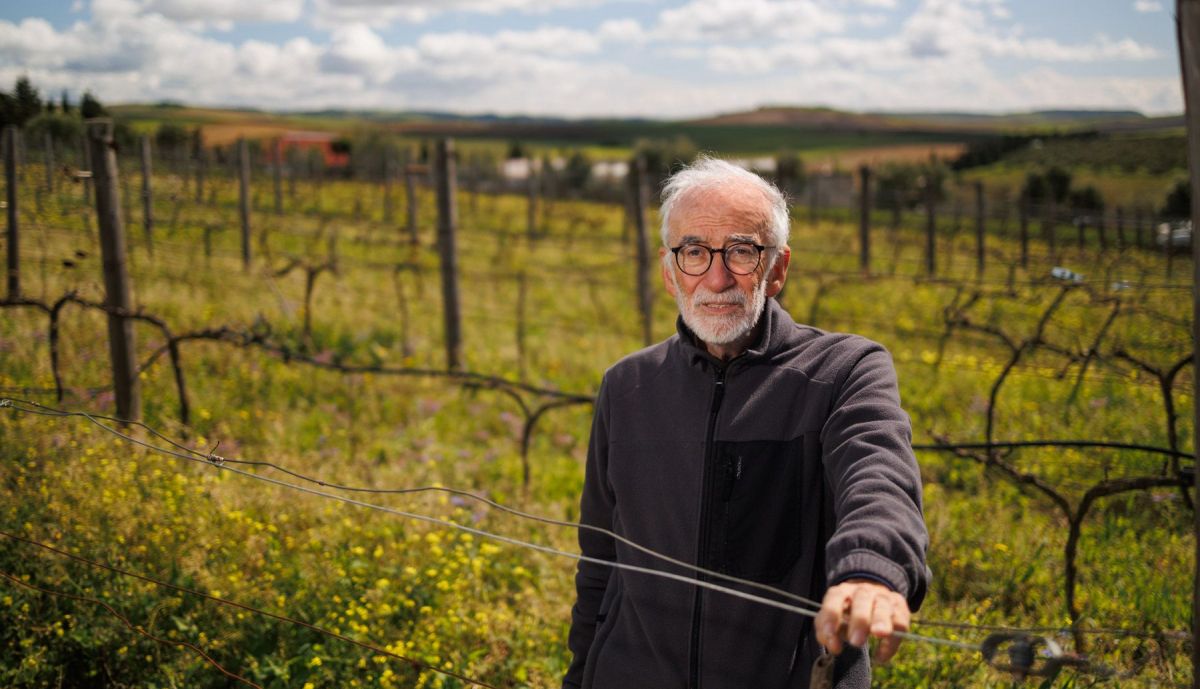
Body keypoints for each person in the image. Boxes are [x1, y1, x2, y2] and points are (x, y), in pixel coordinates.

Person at [563, 157, 930, 689]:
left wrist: (871, 570)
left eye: (740, 251)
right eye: (694, 252)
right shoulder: (627, 387)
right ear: (669, 272)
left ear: (776, 269)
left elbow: (879, 477)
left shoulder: (844, 371)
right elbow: (598, 562)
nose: (716, 277)